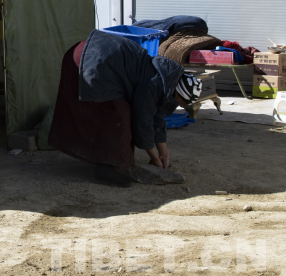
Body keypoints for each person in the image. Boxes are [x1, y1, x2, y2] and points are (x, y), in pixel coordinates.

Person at [48, 29, 196, 187]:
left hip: (90, 54)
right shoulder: (154, 82)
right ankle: (108, 168)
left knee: (121, 115)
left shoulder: (166, 77)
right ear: (178, 92)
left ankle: (111, 160)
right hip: (87, 60)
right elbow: (143, 120)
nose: (180, 105)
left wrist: (164, 153)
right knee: (119, 115)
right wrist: (154, 158)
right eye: (181, 101)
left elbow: (156, 116)